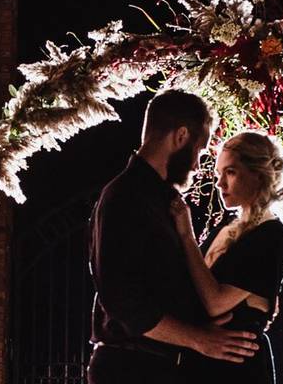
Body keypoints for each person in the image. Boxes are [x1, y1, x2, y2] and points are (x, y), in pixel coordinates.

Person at [87, 89, 260, 384]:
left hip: (156, 368)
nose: (196, 164)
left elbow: (165, 286)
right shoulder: (124, 196)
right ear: (181, 136)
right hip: (129, 370)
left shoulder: (163, 200)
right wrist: (199, 340)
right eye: (199, 150)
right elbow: (124, 303)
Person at [170, 130, 283, 384]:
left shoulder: (271, 234)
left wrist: (186, 236)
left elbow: (215, 302)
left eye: (230, 172)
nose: (220, 183)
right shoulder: (221, 231)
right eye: (218, 174)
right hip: (201, 364)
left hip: (237, 369)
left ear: (258, 174)